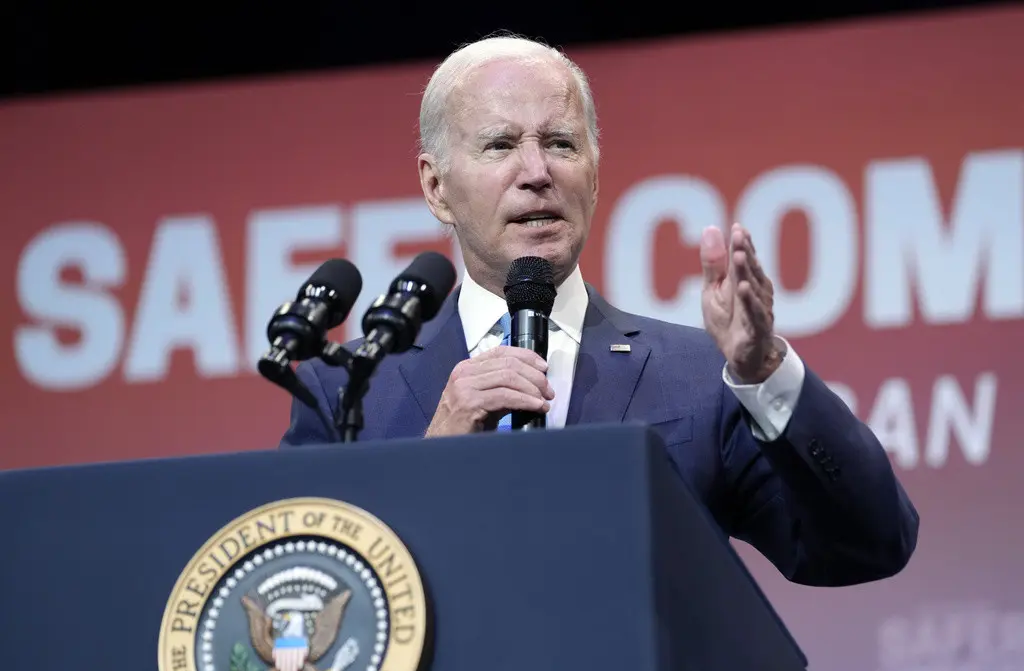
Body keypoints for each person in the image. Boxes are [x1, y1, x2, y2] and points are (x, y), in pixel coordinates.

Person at [281, 34, 919, 587]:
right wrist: (434, 461)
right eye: (501, 146)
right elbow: (301, 597)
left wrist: (766, 372)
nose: (537, 172)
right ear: (435, 186)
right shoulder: (346, 391)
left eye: (560, 143)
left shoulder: (699, 378)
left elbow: (870, 543)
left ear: (595, 170)